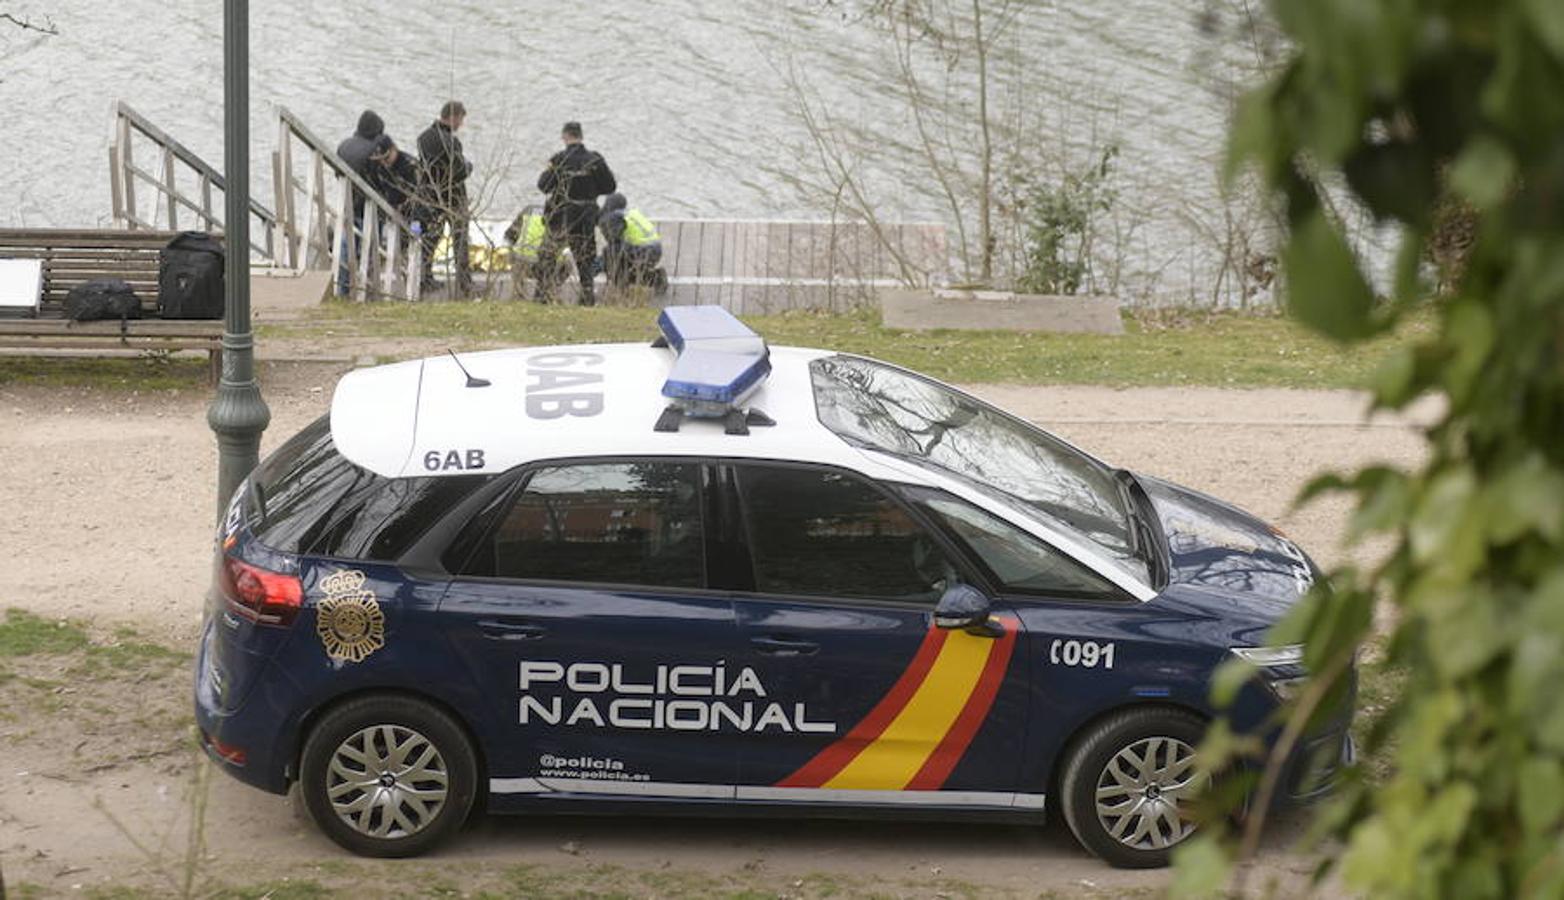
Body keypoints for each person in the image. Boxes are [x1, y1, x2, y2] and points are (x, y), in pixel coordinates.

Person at [535, 121, 615, 305]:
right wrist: (591, 190)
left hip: (561, 217)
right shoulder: (595, 160)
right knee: (585, 259)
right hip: (585, 217)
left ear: (565, 137)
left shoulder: (558, 160)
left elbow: (543, 186)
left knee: (547, 255)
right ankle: (587, 297)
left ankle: (542, 294)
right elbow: (610, 186)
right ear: (581, 136)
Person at [417, 100, 474, 296]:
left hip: (431, 194)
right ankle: (465, 282)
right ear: (454, 117)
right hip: (454, 197)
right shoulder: (451, 141)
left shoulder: (423, 138)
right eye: (460, 120)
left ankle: (424, 277)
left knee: (431, 238)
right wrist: (469, 166)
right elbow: (459, 170)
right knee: (460, 239)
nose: (460, 125)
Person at [334, 110, 384, 296]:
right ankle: (367, 288)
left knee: (347, 246)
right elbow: (378, 181)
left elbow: (338, 174)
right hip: (368, 208)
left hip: (349, 204)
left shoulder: (344, 146)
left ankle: (343, 287)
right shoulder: (373, 151)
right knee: (370, 249)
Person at [597, 192, 668, 296]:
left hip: (642, 251)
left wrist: (595, 267)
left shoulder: (615, 217)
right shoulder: (632, 213)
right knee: (618, 258)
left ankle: (622, 288)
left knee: (610, 256)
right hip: (655, 250)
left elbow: (613, 243)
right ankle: (656, 278)